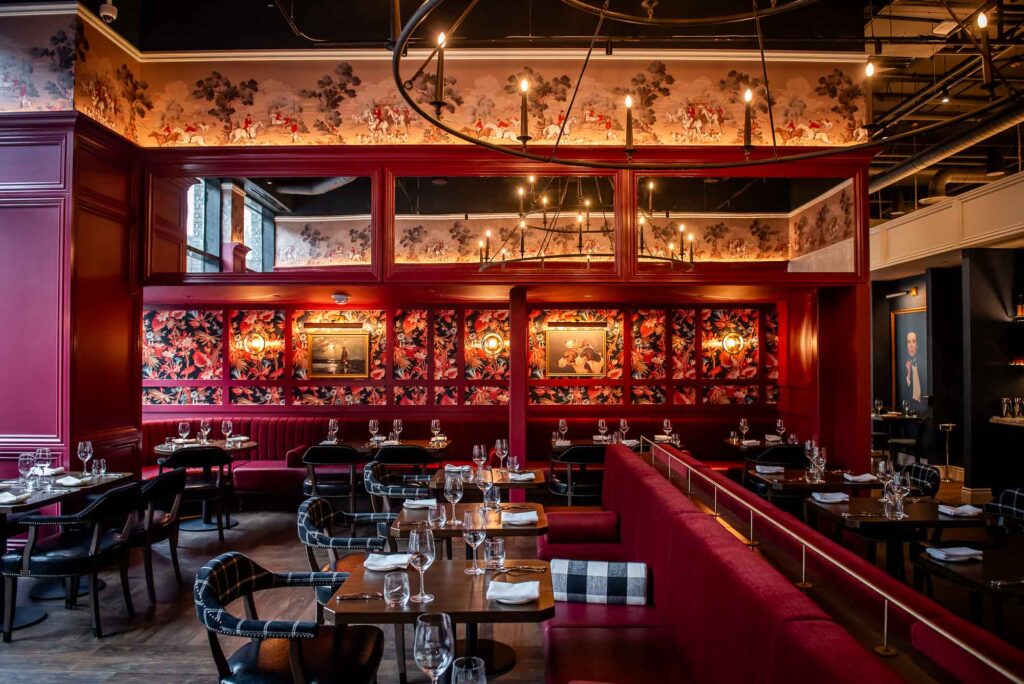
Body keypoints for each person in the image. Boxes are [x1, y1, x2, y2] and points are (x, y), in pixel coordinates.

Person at [903, 331, 926, 412]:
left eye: (913, 341)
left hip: (923, 405)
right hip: (909, 406)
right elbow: (904, 392)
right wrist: (908, 373)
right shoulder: (903, 363)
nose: (911, 345)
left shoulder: (923, 362)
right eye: (908, 342)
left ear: (917, 345)